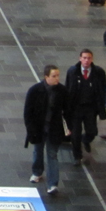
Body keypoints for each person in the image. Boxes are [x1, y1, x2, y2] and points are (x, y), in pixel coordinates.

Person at [23, 65, 69, 195]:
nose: (57, 79)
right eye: (53, 76)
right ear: (46, 77)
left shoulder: (62, 91)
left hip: (54, 129)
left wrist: (69, 127)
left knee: (52, 155)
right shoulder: (34, 90)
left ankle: (53, 184)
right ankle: (37, 172)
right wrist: (30, 129)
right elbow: (28, 112)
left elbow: (67, 110)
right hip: (39, 128)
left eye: (58, 76)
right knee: (38, 150)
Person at [64, 50, 106, 164]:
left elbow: (102, 89)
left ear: (92, 59)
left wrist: (100, 106)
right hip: (76, 108)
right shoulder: (72, 71)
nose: (86, 60)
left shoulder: (98, 72)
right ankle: (77, 156)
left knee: (92, 131)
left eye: (89, 58)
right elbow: (67, 88)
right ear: (80, 58)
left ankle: (86, 140)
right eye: (84, 58)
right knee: (75, 133)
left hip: (91, 108)